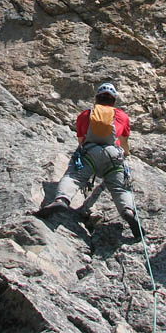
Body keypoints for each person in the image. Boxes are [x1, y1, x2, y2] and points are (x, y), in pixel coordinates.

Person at [37, 82, 142, 239]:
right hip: (114, 155)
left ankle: (62, 199)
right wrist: (125, 153)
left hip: (89, 152)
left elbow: (81, 139)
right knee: (120, 188)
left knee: (74, 177)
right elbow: (124, 141)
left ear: (96, 99)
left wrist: (85, 153)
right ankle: (128, 211)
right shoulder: (122, 116)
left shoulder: (86, 115)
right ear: (114, 101)